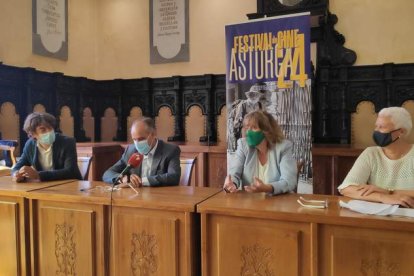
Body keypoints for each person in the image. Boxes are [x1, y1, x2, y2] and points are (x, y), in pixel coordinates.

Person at [338, 107, 414, 207]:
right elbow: (346, 188)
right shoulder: (371, 153)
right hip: (378, 216)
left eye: (382, 127)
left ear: (401, 131)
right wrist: (383, 197)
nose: (376, 131)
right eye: (376, 126)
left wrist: (388, 192)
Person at [223, 110, 297, 194]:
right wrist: (232, 184)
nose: (248, 132)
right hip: (250, 202)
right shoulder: (243, 145)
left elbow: (289, 181)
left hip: (278, 202)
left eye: (254, 128)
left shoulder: (283, 147)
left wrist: (267, 188)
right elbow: (234, 173)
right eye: (247, 128)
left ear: (266, 131)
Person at [103, 117, 181, 187]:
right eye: (134, 139)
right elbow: (108, 173)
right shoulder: (130, 150)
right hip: (135, 198)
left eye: (141, 139)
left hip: (158, 198)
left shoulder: (170, 150)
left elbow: (174, 177)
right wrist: (122, 179)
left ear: (153, 134)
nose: (137, 143)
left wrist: (141, 181)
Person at [12, 112, 82, 182]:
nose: (49, 131)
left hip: (69, 185)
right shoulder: (30, 145)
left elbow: (71, 171)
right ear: (33, 134)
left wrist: (38, 175)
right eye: (43, 129)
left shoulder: (67, 142)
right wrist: (16, 174)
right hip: (45, 186)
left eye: (50, 127)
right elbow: (17, 168)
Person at [227, 83, 271, 152]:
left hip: (257, 132)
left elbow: (264, 119)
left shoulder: (260, 105)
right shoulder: (243, 106)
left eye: (256, 95)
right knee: (247, 151)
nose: (254, 96)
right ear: (249, 95)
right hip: (247, 132)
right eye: (252, 94)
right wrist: (243, 121)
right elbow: (236, 124)